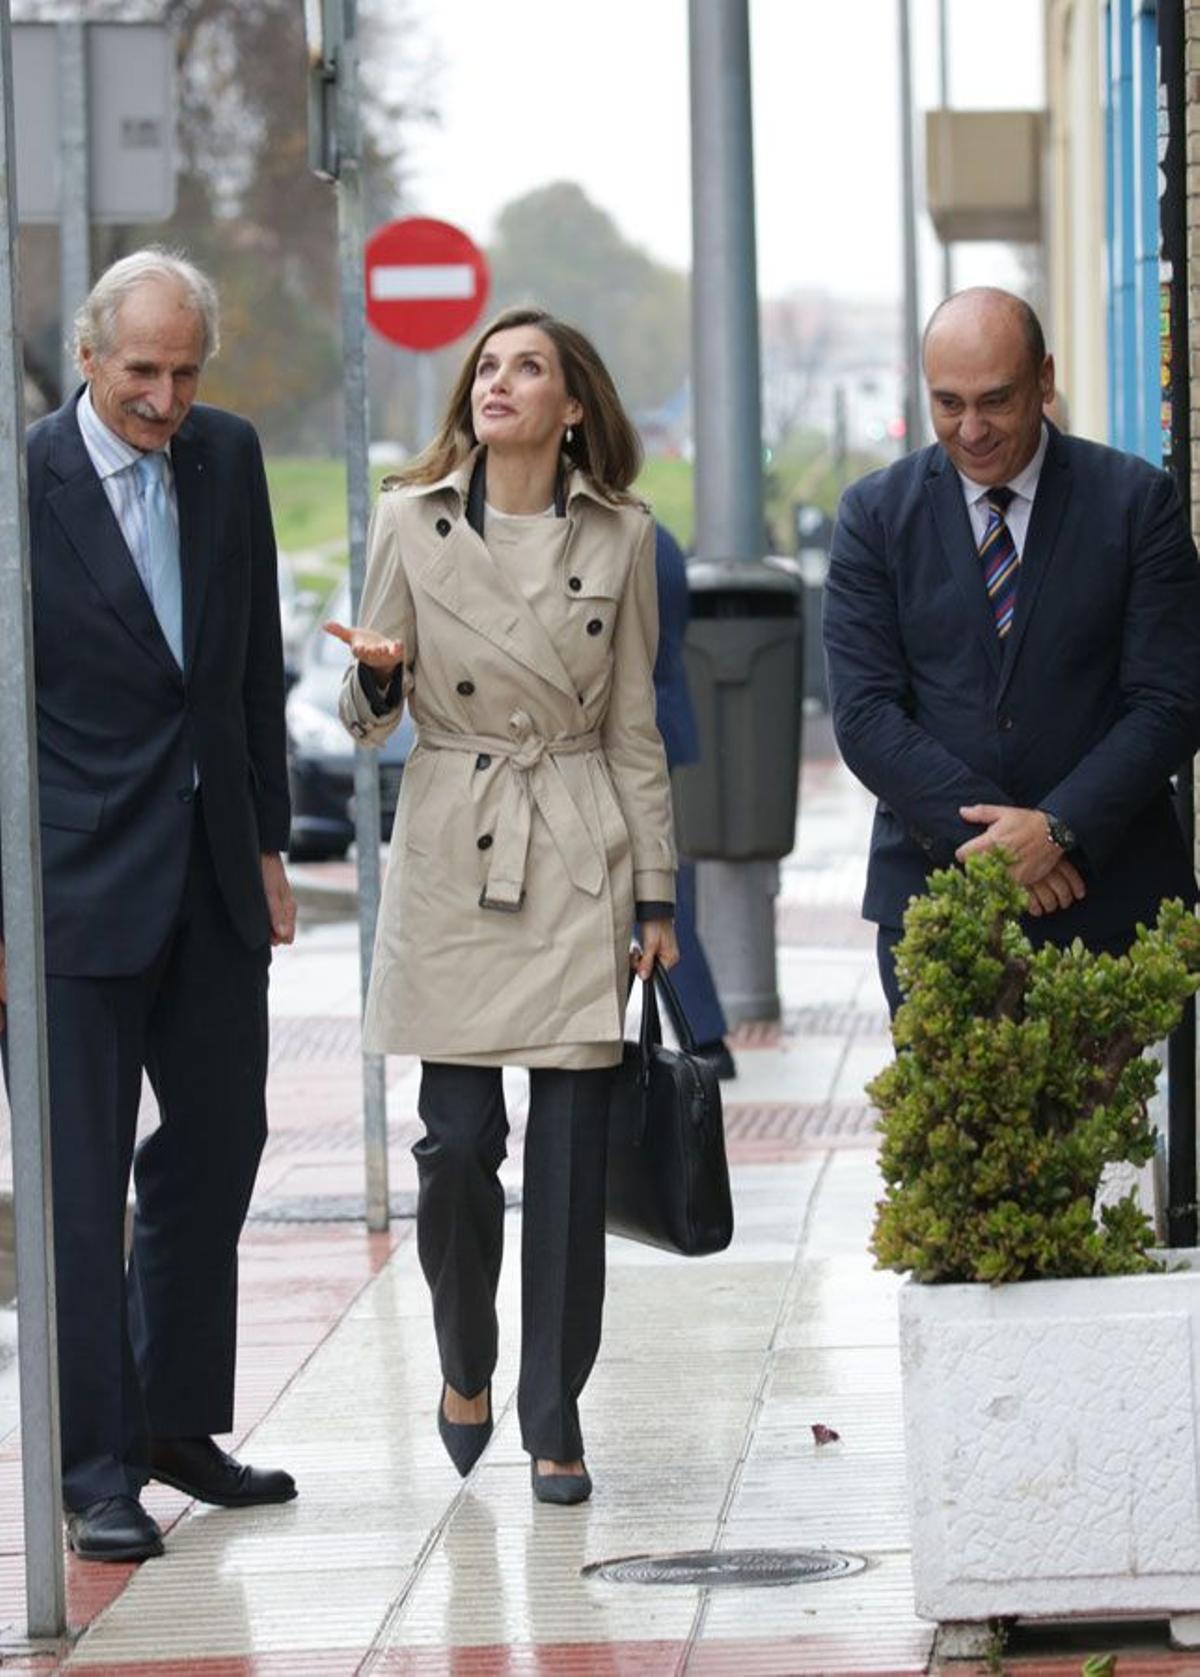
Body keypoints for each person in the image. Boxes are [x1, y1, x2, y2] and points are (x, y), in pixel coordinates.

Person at [327, 306, 678, 1507]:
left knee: (571, 1168)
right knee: (460, 1150)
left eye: (526, 368)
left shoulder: (624, 537)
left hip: (577, 840)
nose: (499, 382)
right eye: (487, 366)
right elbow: (366, 718)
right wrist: (376, 678)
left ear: (572, 404)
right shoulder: (408, 522)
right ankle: (465, 1361)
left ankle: (555, 1412)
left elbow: (634, 725)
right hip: (454, 846)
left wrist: (658, 892)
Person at [7, 248, 298, 1562]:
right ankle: (93, 1467)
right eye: (142, 372)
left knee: (219, 1142)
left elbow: (248, 664)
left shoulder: (226, 460)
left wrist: (273, 846)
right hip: (68, 887)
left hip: (212, 873)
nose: (166, 398)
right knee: (77, 1185)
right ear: (87, 357)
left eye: (186, 371)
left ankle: (176, 1419)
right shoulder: (24, 481)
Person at [823, 286, 1200, 1015]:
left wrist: (1062, 830)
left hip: (1108, 901)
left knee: (1095, 1133)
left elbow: (1173, 699)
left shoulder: (1137, 503)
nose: (971, 429)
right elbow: (865, 714)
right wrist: (1011, 846)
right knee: (953, 1132)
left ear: (1045, 380)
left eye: (995, 400)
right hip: (938, 903)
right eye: (948, 403)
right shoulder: (873, 516)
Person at [650, 521, 735, 1077]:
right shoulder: (658, 534)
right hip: (664, 721)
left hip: (642, 730)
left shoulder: (626, 538)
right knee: (662, 882)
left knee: (660, 886)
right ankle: (704, 1033)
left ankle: (705, 1035)